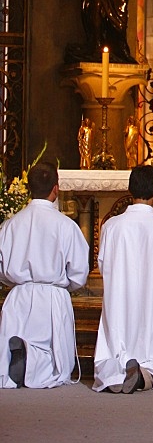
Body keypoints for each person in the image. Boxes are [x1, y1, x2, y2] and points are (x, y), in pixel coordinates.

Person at [93, 165, 153, 393]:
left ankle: (118, 372)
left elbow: (103, 266)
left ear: (129, 189)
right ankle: (146, 374)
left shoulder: (111, 226)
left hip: (120, 300)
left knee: (116, 339)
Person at [0, 161, 89, 388]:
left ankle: (21, 357)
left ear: (29, 187)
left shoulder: (11, 224)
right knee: (53, 357)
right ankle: (31, 360)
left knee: (22, 339)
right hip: (52, 297)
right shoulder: (66, 225)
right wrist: (64, 286)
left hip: (19, 295)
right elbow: (79, 271)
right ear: (56, 188)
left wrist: (17, 281)